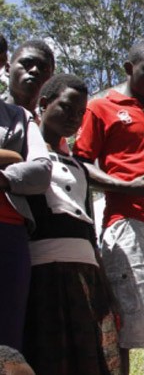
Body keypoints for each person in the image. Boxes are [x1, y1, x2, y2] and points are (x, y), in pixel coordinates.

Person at [73, 41, 144, 375]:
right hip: (128, 225)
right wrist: (126, 186)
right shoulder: (101, 107)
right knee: (127, 328)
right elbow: (80, 164)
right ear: (128, 68)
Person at [23, 74, 121, 375]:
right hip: (45, 274)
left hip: (87, 273)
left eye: (80, 113)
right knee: (51, 356)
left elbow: (88, 228)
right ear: (43, 104)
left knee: (90, 359)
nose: (74, 118)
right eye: (66, 107)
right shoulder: (25, 157)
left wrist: (104, 283)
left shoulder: (79, 167)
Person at [0, 75, 52, 351]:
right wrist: (10, 156)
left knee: (7, 340)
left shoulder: (19, 116)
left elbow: (41, 170)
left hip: (9, 234)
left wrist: (5, 177)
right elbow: (18, 160)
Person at [3, 39, 55, 117]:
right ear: (7, 69)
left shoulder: (44, 125)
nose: (35, 70)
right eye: (26, 63)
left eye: (44, 69)